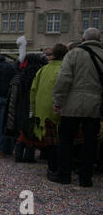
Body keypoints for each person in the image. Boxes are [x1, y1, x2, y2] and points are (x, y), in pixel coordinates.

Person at [49, 28, 102, 187]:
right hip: (95, 105)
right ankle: (86, 178)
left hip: (72, 104)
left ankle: (64, 174)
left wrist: (58, 102)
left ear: (83, 39)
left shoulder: (74, 53)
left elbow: (63, 79)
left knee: (66, 139)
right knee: (90, 142)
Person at [30, 44, 68, 173]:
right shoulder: (65, 69)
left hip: (43, 111)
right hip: (59, 109)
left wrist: (35, 109)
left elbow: (33, 91)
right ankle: (57, 167)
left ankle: (51, 167)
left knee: (50, 142)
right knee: (62, 140)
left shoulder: (42, 70)